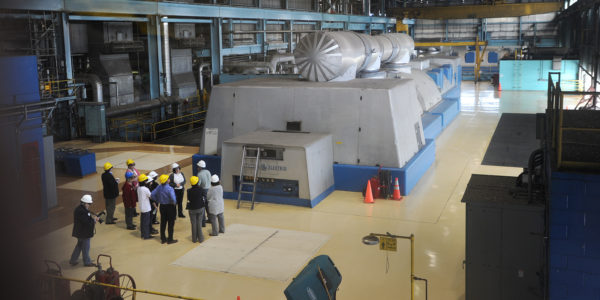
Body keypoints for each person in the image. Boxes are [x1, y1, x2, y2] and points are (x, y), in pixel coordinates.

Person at [69, 195, 99, 267]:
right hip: (83, 233)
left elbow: (86, 219)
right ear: (85, 203)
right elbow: (86, 222)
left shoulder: (79, 209)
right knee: (86, 247)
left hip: (80, 232)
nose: (89, 205)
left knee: (79, 246)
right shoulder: (82, 211)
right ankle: (87, 262)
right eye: (89, 204)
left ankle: (73, 260)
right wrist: (94, 220)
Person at [151, 174, 178, 244]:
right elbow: (173, 199)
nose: (169, 179)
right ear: (167, 181)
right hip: (170, 207)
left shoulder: (159, 187)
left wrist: (157, 200)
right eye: (168, 179)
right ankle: (170, 239)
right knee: (171, 223)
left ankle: (163, 238)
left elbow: (152, 194)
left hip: (162, 206)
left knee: (163, 222)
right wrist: (174, 203)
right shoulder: (170, 188)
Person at [137, 174, 158, 240]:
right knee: (146, 222)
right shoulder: (145, 189)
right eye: (146, 181)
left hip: (141, 207)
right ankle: (147, 235)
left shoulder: (139, 188)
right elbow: (151, 196)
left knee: (143, 222)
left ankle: (143, 234)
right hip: (146, 208)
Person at [186, 176, 205, 243]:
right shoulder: (201, 189)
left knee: (193, 223)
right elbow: (204, 196)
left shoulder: (188, 191)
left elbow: (189, 199)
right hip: (200, 208)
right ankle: (201, 239)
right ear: (197, 182)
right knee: (199, 223)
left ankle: (194, 239)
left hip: (191, 209)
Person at [196, 160, 211, 226]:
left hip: (203, 191)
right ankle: (210, 219)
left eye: (198, 166)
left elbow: (198, 185)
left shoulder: (199, 174)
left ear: (200, 167)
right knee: (208, 205)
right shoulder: (208, 171)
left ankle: (203, 221)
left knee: (203, 206)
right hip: (209, 190)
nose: (197, 167)